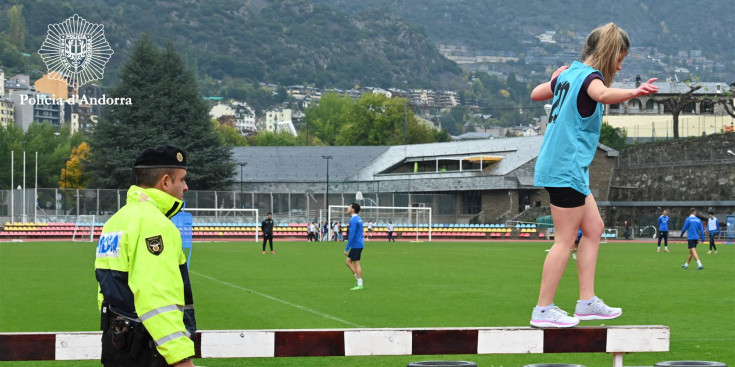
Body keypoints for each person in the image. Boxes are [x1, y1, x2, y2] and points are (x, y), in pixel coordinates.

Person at [529, 23, 658, 328]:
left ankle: (586, 301)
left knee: (594, 227)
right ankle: (543, 309)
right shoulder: (591, 78)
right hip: (566, 167)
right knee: (564, 240)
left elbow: (536, 93)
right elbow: (601, 94)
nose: (621, 66)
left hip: (564, 167)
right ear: (608, 53)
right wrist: (634, 92)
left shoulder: (569, 73)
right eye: (619, 59)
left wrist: (554, 78)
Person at [95, 145, 196, 367]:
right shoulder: (155, 224)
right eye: (182, 180)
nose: (186, 187)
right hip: (147, 351)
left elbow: (104, 292)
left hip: (117, 345)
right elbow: (157, 297)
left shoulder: (115, 221)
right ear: (166, 181)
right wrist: (180, 358)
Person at [344, 203, 365, 291]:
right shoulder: (358, 219)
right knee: (348, 261)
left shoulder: (353, 220)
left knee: (356, 263)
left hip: (356, 244)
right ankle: (358, 281)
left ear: (353, 209)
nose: (348, 208)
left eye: (349, 207)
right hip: (359, 243)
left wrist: (346, 248)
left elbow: (352, 235)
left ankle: (360, 283)